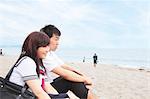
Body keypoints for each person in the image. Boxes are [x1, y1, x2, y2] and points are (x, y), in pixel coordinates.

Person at [40, 24, 97, 99]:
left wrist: (82, 76)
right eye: (56, 39)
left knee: (74, 77)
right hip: (43, 89)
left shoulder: (50, 53)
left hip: (47, 84)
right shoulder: (44, 55)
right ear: (46, 39)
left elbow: (64, 66)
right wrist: (85, 79)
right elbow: (63, 73)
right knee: (70, 80)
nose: (58, 43)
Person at [9, 32, 59, 99]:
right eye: (44, 46)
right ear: (34, 47)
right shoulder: (27, 62)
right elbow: (39, 93)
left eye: (48, 46)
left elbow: (49, 88)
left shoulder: (39, 64)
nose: (48, 49)